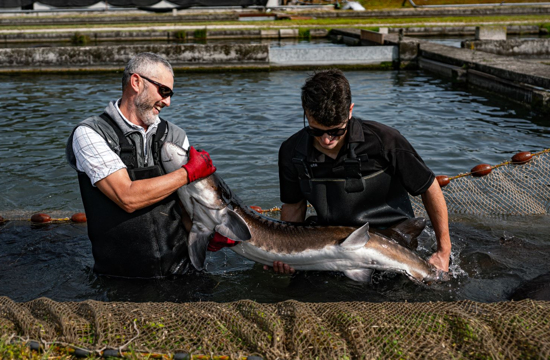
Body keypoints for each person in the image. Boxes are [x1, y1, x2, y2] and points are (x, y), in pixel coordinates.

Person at [65, 52, 234, 278]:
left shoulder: (175, 135)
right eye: (164, 91)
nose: (168, 101)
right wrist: (188, 173)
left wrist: (209, 230)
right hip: (120, 276)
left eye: (170, 94)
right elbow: (127, 197)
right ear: (136, 82)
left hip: (181, 271)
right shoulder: (90, 133)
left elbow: (185, 208)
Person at [272, 69, 451, 275]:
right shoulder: (291, 151)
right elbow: (294, 207)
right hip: (333, 245)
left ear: (350, 111)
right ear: (305, 112)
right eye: (317, 131)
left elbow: (429, 187)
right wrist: (284, 253)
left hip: (393, 240)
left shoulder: (385, 141)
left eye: (336, 131)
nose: (326, 140)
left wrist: (443, 251)